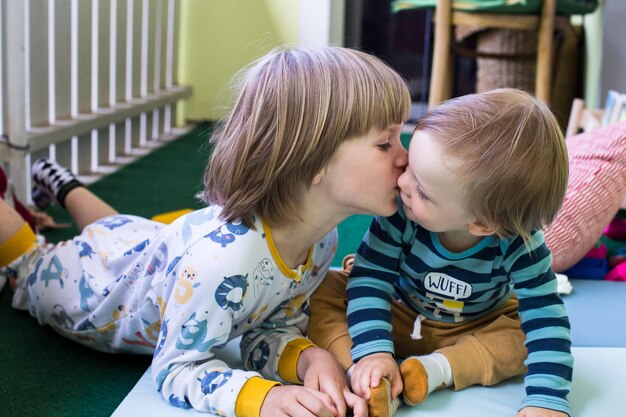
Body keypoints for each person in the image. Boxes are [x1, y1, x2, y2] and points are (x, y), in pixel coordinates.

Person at [0, 46, 413, 417]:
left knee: (112, 229)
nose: (404, 158)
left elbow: (269, 326)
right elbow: (176, 368)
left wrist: (307, 359)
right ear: (312, 163)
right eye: (385, 144)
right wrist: (263, 398)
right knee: (29, 257)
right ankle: (47, 193)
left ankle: (61, 182)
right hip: (91, 286)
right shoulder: (223, 263)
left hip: (137, 244)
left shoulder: (322, 240)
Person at [308, 89, 573, 417]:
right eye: (410, 168)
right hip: (397, 314)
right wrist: (373, 352)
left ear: (481, 225)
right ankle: (367, 375)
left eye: (422, 189)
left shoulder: (520, 244)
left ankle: (433, 370)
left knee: (523, 335)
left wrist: (546, 401)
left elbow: (546, 316)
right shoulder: (401, 214)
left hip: (474, 327)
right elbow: (370, 281)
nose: (402, 182)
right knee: (323, 290)